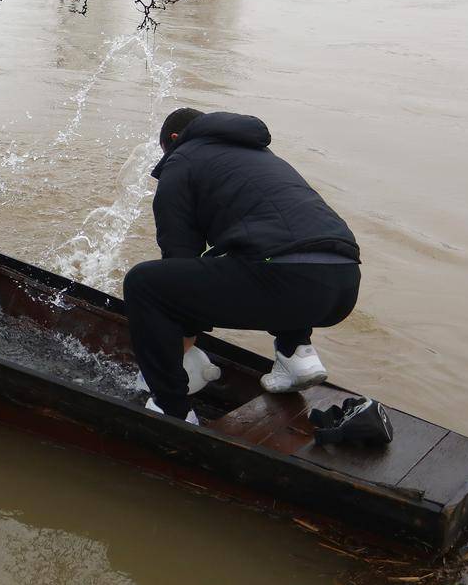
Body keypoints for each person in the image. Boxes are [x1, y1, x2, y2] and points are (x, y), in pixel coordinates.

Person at [124, 108, 360, 423]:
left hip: (290, 281)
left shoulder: (182, 160)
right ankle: (296, 355)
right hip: (344, 283)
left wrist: (182, 338)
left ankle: (171, 410)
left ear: (175, 140)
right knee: (262, 255)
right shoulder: (260, 155)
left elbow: (180, 259)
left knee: (144, 284)